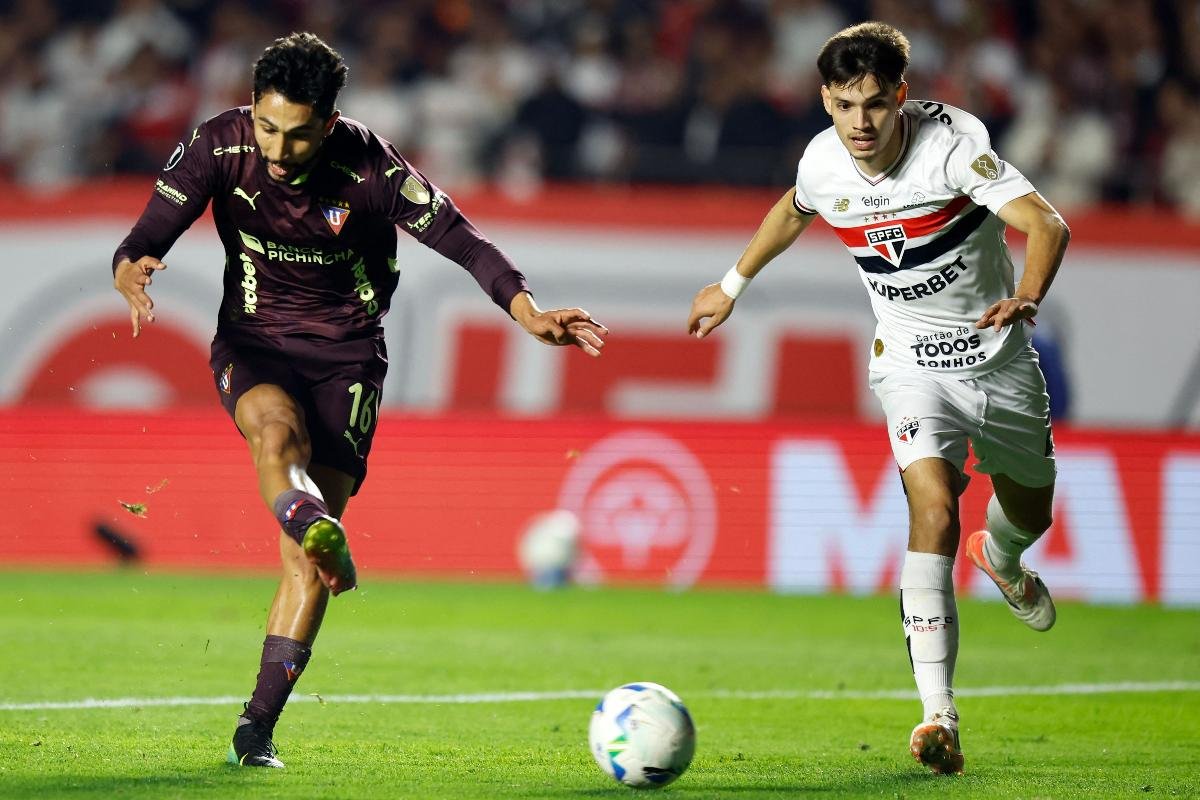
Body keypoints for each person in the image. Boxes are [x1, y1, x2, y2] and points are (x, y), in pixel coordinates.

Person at [112, 32, 607, 769]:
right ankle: (310, 517)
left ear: (332, 120)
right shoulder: (220, 145)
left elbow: (466, 242)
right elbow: (147, 233)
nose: (278, 150)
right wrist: (131, 269)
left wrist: (527, 311)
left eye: (300, 133)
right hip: (253, 346)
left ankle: (256, 727)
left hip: (348, 366)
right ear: (252, 108)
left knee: (305, 565)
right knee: (273, 434)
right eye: (268, 126)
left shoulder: (372, 167)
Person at [686, 22, 1069, 775]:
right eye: (840, 104)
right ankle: (938, 715)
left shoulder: (955, 145)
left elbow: (1045, 223)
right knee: (931, 508)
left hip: (999, 361)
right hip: (910, 364)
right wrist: (731, 285)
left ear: (902, 96)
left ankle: (1003, 558)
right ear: (825, 100)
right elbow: (795, 209)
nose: (858, 123)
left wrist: (1025, 295)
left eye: (872, 105)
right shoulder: (825, 161)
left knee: (1031, 509)